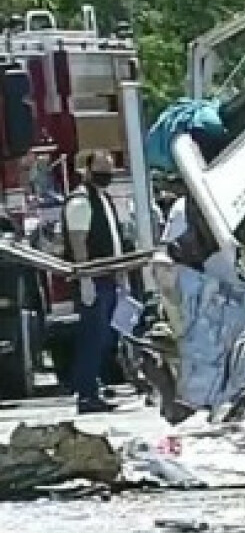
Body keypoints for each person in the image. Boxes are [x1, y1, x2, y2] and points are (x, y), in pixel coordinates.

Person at [62, 151, 128, 414]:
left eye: (110, 170)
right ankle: (86, 394)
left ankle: (94, 387)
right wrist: (86, 280)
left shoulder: (102, 198)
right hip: (93, 282)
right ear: (87, 171)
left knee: (103, 338)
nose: (107, 176)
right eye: (101, 170)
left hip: (108, 279)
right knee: (92, 337)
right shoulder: (80, 201)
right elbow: (80, 245)